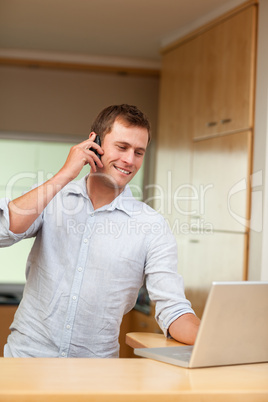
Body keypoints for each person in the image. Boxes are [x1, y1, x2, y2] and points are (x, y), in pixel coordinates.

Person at [0, 104, 200, 358]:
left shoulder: (152, 226)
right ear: (94, 143)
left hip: (96, 371)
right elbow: (4, 231)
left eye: (139, 152)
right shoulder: (52, 198)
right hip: (26, 361)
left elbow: (172, 308)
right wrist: (65, 174)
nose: (130, 160)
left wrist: (216, 340)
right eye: (122, 147)